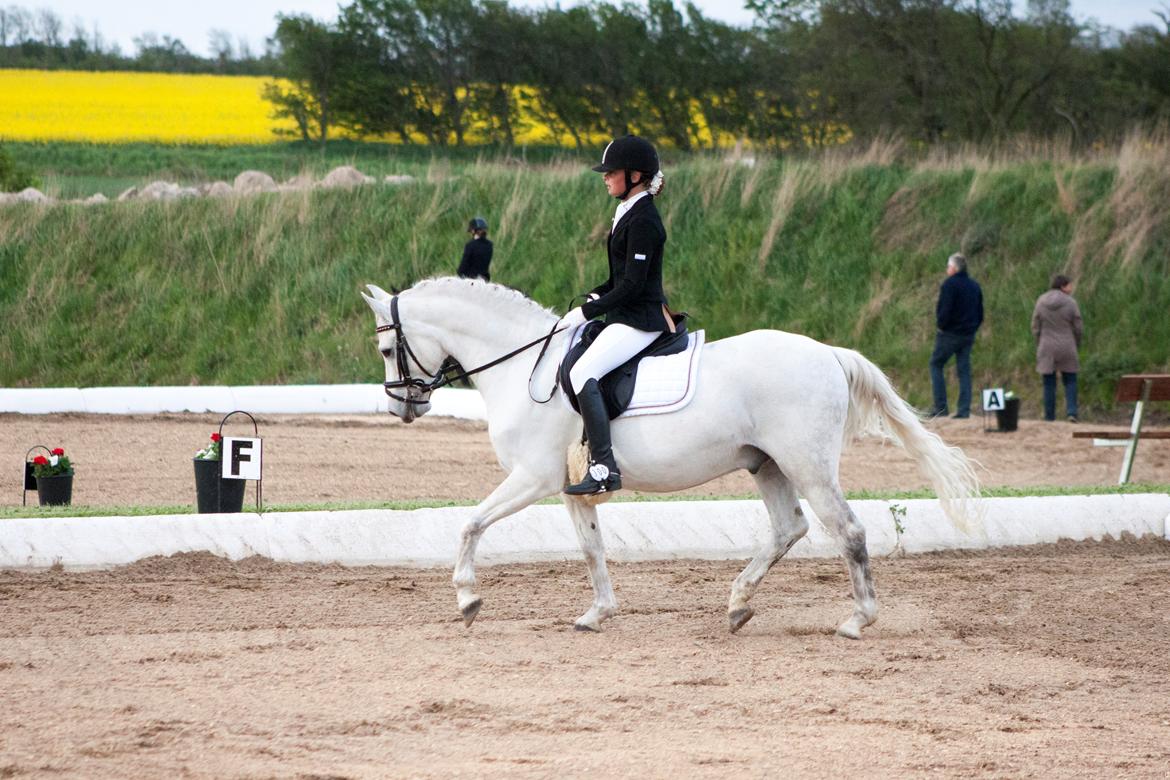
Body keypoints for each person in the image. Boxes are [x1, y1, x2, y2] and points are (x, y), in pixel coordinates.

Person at [556, 135, 671, 496]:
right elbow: (617, 280)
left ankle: (604, 467)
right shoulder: (628, 213)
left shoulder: (644, 221)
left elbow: (634, 286)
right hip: (624, 314)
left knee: (582, 371)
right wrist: (594, 294)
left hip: (641, 319)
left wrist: (588, 311)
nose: (605, 177)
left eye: (611, 172)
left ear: (635, 176)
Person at [928, 252, 984, 419]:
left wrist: (941, 326)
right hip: (968, 334)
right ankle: (964, 409)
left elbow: (945, 310)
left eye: (948, 266)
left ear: (953, 268)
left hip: (950, 334)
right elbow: (980, 313)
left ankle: (940, 407)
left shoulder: (949, 285)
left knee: (936, 364)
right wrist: (972, 328)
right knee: (964, 370)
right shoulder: (975, 286)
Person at [1032, 274, 1083, 422]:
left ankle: (1049, 416)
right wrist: (1076, 343)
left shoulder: (1041, 301)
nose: (1071, 288)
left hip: (1046, 345)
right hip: (1067, 344)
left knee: (1048, 382)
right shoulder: (1071, 303)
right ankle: (1071, 412)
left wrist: (1039, 342)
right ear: (1063, 286)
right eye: (1069, 285)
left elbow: (1035, 326)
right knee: (1070, 379)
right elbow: (1078, 327)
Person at [457, 217, 492, 281]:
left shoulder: (470, 245)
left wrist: (459, 272)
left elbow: (463, 266)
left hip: (471, 279)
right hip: (484, 279)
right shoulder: (489, 245)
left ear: (474, 231)